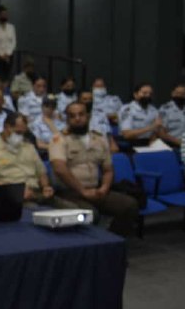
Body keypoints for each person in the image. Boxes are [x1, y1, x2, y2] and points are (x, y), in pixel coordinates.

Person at [50, 102, 138, 237]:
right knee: (90, 214)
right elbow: (60, 169)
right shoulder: (59, 139)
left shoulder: (99, 139)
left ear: (88, 116)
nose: (77, 118)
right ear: (67, 119)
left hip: (96, 190)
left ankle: (112, 240)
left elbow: (108, 169)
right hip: (70, 193)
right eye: (72, 116)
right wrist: (82, 191)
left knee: (129, 205)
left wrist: (104, 188)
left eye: (81, 114)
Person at [0, 113, 59, 206]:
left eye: (23, 133)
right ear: (6, 127)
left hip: (37, 193)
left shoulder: (28, 147)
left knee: (72, 209)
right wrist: (17, 191)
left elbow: (41, 172)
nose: (20, 136)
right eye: (18, 133)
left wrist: (45, 187)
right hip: (12, 197)